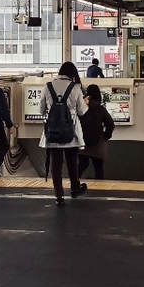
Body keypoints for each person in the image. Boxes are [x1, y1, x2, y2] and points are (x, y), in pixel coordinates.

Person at [39, 61, 88, 204]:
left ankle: (59, 195)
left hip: (53, 131)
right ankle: (74, 188)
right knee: (72, 161)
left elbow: (41, 110)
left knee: (55, 164)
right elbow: (81, 111)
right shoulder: (75, 88)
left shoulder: (47, 87)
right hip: (70, 130)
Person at [78, 84, 115, 180]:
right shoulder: (100, 109)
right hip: (97, 142)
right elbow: (110, 124)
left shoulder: (81, 107)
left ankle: (74, 184)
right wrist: (106, 136)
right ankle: (100, 189)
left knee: (82, 165)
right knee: (98, 168)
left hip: (82, 142)